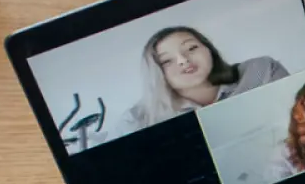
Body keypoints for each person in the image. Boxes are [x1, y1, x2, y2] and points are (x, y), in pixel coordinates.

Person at [120, 26, 289, 133]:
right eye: (166, 61)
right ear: (155, 73)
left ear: (208, 49)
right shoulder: (137, 119)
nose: (183, 60)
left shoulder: (262, 69)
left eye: (191, 48)